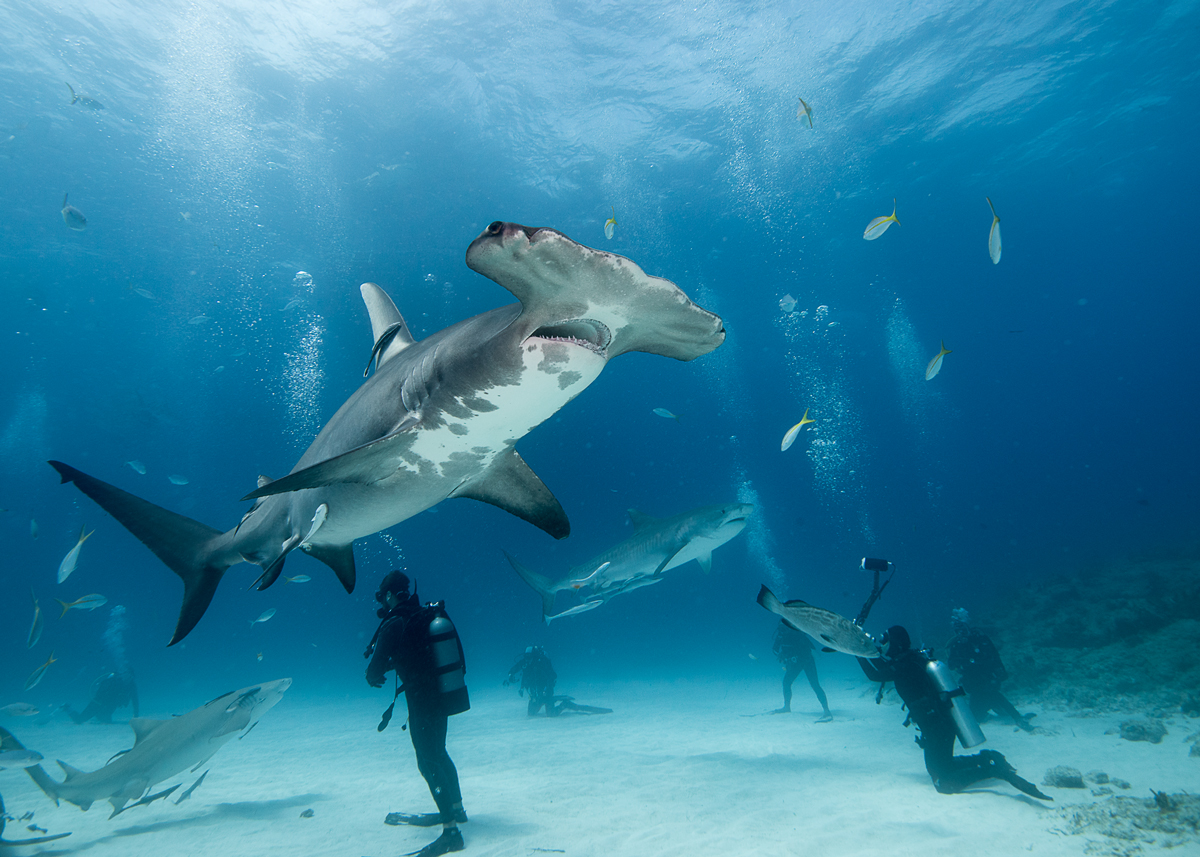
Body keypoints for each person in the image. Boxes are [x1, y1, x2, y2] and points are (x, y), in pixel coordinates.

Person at [858, 625, 1050, 800]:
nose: (883, 645)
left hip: (937, 725)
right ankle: (985, 757)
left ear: (895, 643)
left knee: (943, 782)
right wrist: (865, 648)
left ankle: (995, 771)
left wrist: (856, 650)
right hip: (939, 723)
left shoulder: (905, 665)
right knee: (942, 767)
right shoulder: (910, 659)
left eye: (886, 640)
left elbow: (875, 674)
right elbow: (883, 667)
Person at [365, 571, 469, 857]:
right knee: (440, 752)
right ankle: (457, 811)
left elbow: (374, 670)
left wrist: (374, 675)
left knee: (427, 761)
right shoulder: (427, 616)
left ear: (388, 595)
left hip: (422, 702)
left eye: (382, 597)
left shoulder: (394, 623)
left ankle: (451, 832)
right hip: (443, 695)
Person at [947, 608, 1034, 732]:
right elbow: (951, 665)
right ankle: (1002, 713)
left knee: (994, 695)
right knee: (977, 711)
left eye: (963, 628)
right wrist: (962, 662)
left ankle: (1016, 716)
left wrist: (1000, 671)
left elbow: (994, 654)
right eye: (958, 630)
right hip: (972, 680)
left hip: (986, 675)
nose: (961, 632)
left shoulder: (979, 638)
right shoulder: (955, 645)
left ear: (968, 627)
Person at [504, 647, 612, 716]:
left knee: (551, 714)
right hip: (534, 694)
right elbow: (516, 667)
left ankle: (565, 704)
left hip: (546, 692)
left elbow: (552, 676)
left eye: (529, 657)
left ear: (533, 656)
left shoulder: (541, 663)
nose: (527, 659)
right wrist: (510, 674)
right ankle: (550, 700)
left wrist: (547, 689)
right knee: (531, 713)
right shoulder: (526, 663)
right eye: (526, 657)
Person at [771, 622, 832, 721]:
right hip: (796, 663)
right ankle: (787, 707)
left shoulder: (796, 633)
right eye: (781, 628)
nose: (783, 630)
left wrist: (787, 655)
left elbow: (806, 648)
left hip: (807, 660)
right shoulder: (781, 636)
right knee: (786, 682)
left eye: (784, 627)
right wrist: (783, 655)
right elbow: (775, 649)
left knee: (815, 684)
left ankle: (826, 710)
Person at [64, 671, 139, 724]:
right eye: (126, 675)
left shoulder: (132, 687)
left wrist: (136, 715)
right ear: (123, 675)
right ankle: (67, 708)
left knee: (106, 721)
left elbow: (135, 701)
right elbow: (101, 692)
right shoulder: (114, 682)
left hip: (110, 706)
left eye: (130, 677)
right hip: (98, 702)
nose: (128, 678)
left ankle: (99, 715)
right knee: (79, 720)